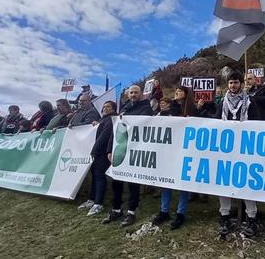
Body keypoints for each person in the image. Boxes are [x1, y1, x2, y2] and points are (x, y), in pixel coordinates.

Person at [216, 71, 260, 237]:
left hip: (245, 148)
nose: (233, 85)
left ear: (241, 84)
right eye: (230, 83)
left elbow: (257, 123)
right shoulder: (222, 102)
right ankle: (225, 216)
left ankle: (252, 218)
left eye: (236, 82)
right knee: (224, 182)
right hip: (226, 149)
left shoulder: (250, 102)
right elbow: (216, 121)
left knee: (246, 181)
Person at [103, 85, 153, 227]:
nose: (133, 94)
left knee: (133, 183)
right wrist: (109, 150)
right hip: (120, 149)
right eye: (131, 92)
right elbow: (115, 130)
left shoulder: (146, 108)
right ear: (127, 94)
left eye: (136, 92)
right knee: (116, 181)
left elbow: (144, 126)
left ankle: (131, 212)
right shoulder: (123, 109)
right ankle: (116, 209)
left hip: (135, 150)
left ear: (141, 94)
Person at [152, 86, 195, 229]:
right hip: (169, 151)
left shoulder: (191, 108)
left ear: (186, 93)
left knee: (183, 183)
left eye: (179, 91)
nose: (176, 93)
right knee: (166, 181)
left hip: (184, 150)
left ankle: (180, 214)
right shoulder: (169, 110)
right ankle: (164, 211)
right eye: (175, 91)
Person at [80, 101, 119, 217]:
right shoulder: (104, 119)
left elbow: (104, 136)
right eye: (104, 106)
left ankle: (98, 203)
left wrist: (94, 150)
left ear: (113, 109)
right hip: (98, 152)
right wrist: (97, 124)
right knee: (95, 176)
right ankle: (92, 199)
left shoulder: (112, 119)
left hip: (103, 152)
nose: (105, 108)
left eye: (108, 107)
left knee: (100, 177)